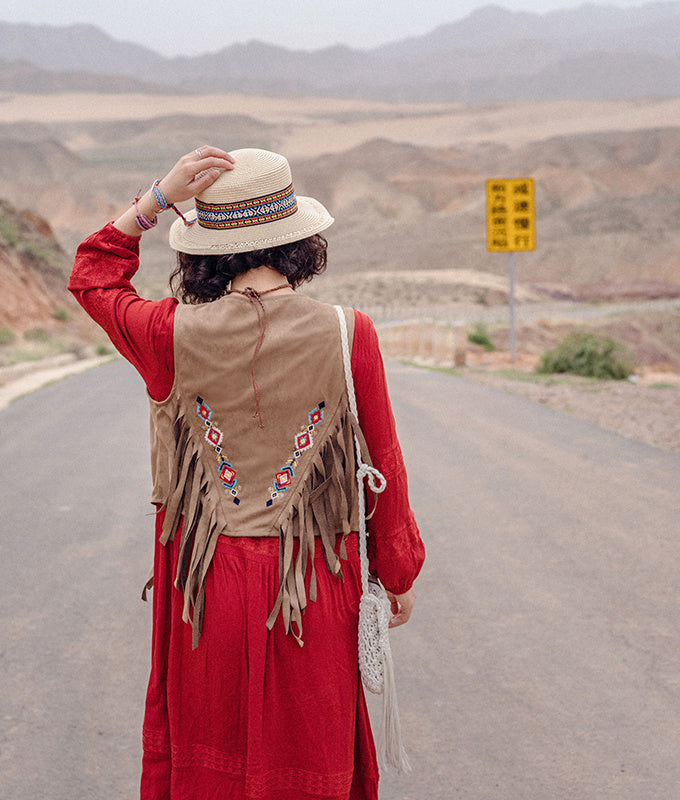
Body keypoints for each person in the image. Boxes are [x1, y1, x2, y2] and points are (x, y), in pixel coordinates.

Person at [69, 145, 425, 800]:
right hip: (316, 588)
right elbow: (385, 466)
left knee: (214, 761)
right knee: (309, 760)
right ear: (300, 242)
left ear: (201, 251)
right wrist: (397, 575)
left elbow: (92, 279)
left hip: (205, 593)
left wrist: (155, 199)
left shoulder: (167, 333)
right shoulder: (351, 334)